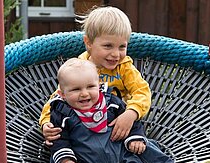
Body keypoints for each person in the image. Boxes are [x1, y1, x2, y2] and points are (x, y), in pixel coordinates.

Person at [47, 58, 210, 163]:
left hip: (123, 154)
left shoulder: (112, 103)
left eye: (90, 87)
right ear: (62, 94)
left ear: (98, 84)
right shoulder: (62, 113)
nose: (84, 93)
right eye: (76, 89)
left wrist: (135, 137)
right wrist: (66, 161)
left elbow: (134, 124)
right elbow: (59, 139)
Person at [39, 6, 151, 145]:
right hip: (83, 125)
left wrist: (131, 113)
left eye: (122, 47)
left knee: (138, 148)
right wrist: (46, 123)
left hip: (117, 124)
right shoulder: (79, 67)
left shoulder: (124, 67)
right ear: (89, 43)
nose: (116, 54)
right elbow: (59, 96)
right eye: (108, 46)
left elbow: (142, 91)